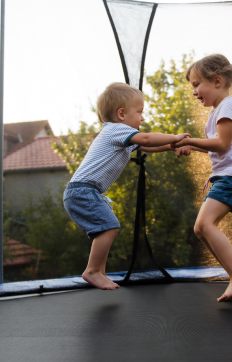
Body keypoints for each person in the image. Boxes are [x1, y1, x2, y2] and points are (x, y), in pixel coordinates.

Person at [63, 82, 191, 290]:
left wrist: (172, 146)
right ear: (121, 114)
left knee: (106, 228)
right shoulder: (115, 130)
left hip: (83, 191)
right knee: (110, 227)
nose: (143, 117)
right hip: (82, 191)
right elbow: (148, 138)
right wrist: (176, 137)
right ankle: (93, 270)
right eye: (139, 112)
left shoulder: (119, 134)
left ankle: (98, 271)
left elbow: (149, 145)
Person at [172, 53, 232, 302]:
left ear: (216, 80)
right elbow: (219, 146)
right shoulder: (218, 110)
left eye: (195, 84)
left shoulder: (228, 105)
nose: (194, 92)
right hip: (227, 177)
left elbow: (222, 144)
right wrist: (192, 146)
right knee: (201, 228)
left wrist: (190, 141)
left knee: (204, 225)